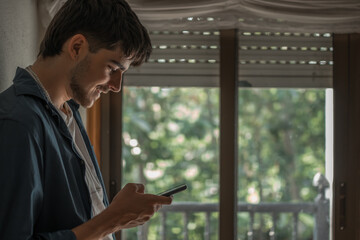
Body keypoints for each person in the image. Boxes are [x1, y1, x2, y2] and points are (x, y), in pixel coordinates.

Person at [0, 0, 172, 239]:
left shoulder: (69, 113)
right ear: (77, 47)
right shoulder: (19, 122)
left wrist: (113, 215)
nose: (116, 86)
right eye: (112, 67)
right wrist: (112, 220)